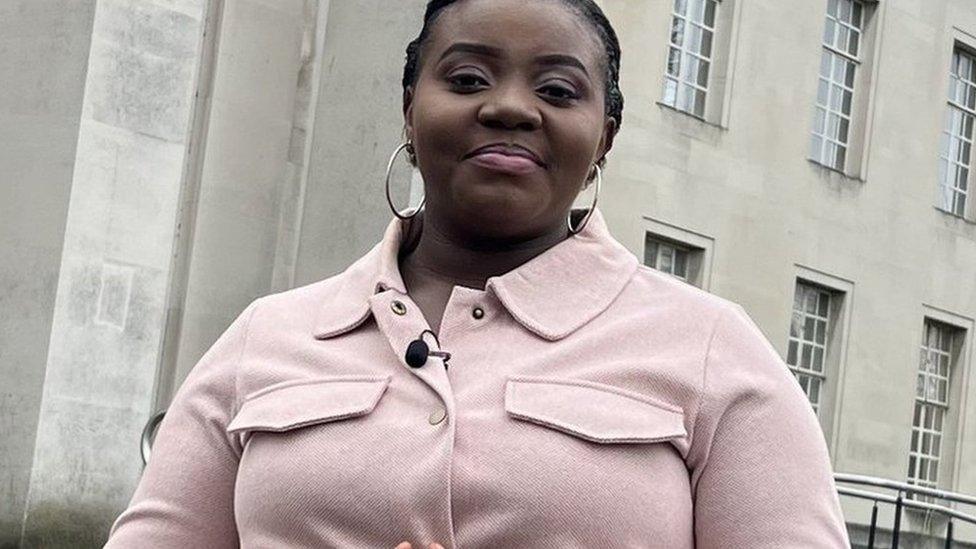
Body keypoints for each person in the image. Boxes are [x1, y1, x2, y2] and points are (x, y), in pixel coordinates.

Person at [105, 0, 852, 547]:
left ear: (604, 140)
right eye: (466, 79)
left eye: (558, 91)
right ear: (409, 110)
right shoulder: (265, 338)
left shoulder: (712, 349)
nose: (508, 107)